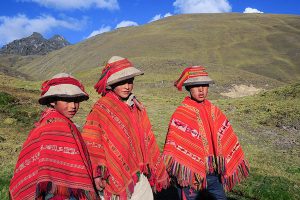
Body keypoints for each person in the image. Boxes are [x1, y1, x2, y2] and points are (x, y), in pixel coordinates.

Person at [81, 56, 169, 200]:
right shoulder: (101, 109)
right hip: (112, 175)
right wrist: (98, 173)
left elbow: (146, 137)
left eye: (130, 82)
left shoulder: (136, 106)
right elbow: (92, 143)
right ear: (111, 84)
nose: (127, 86)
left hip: (139, 174)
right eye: (121, 83)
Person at [162, 66, 249, 200]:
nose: (201, 89)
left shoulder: (215, 111)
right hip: (190, 175)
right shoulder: (181, 114)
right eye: (196, 86)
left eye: (204, 85)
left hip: (213, 174)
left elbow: (226, 137)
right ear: (189, 88)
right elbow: (174, 147)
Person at [9, 73, 99, 200]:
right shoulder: (58, 125)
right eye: (67, 100)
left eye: (76, 100)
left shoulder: (49, 121)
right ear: (52, 101)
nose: (73, 106)